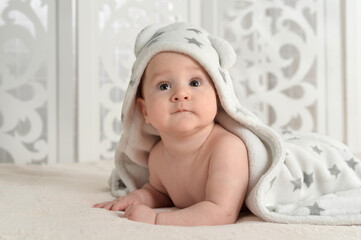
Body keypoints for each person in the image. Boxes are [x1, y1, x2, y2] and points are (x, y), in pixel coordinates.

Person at [93, 22, 249, 226]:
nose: (181, 94)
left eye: (194, 83)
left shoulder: (226, 148)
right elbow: (161, 191)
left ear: (219, 95)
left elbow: (222, 211)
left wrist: (158, 218)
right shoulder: (158, 156)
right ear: (145, 110)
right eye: (164, 86)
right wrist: (139, 197)